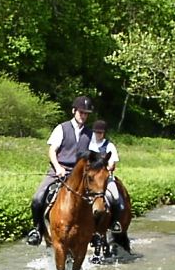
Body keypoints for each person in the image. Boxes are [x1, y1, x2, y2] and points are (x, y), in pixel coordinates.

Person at [26, 96, 95, 246]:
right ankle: (37, 230)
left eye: (86, 113)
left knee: (98, 199)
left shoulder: (90, 134)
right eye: (81, 112)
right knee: (38, 198)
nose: (83, 116)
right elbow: (52, 151)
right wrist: (58, 167)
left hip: (80, 174)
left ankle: (94, 233)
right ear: (74, 111)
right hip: (59, 169)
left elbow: (93, 156)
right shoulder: (62, 128)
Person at [89, 120, 124, 233]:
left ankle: (114, 222)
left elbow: (112, 164)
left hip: (106, 179)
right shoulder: (88, 144)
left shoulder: (109, 146)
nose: (98, 134)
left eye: (100, 132)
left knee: (116, 198)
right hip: (90, 179)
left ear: (104, 133)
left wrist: (106, 168)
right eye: (96, 132)